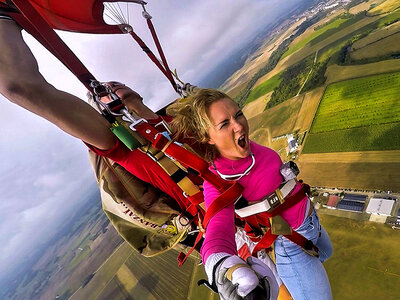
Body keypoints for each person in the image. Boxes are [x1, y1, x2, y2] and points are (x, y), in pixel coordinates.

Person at [0, 14, 277, 299]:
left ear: (135, 91)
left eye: (111, 85)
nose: (105, 89)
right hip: (236, 231)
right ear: (101, 115)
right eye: (99, 96)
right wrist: (7, 21)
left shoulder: (183, 119)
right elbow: (21, 88)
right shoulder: (123, 147)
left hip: (268, 202)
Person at [167, 89, 334, 299]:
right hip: (294, 243)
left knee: (327, 255)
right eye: (224, 124)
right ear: (207, 137)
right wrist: (219, 264)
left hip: (310, 223)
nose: (238, 125)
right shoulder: (219, 180)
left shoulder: (246, 147)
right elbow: (217, 227)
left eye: (238, 115)